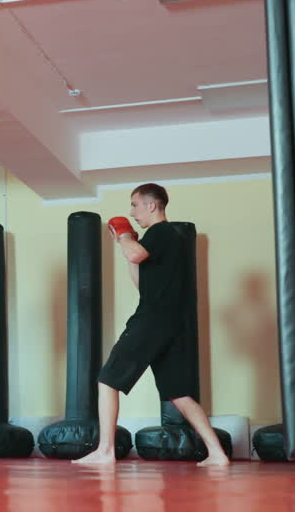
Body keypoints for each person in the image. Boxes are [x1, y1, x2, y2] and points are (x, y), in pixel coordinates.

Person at [74, 183, 230, 467]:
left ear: (151, 205)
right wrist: (127, 241)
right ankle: (217, 453)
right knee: (179, 392)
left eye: (135, 205)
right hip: (171, 323)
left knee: (108, 379)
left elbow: (134, 254)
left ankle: (105, 451)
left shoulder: (160, 232)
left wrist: (124, 235)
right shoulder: (166, 240)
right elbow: (141, 281)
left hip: (152, 319)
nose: (132, 212)